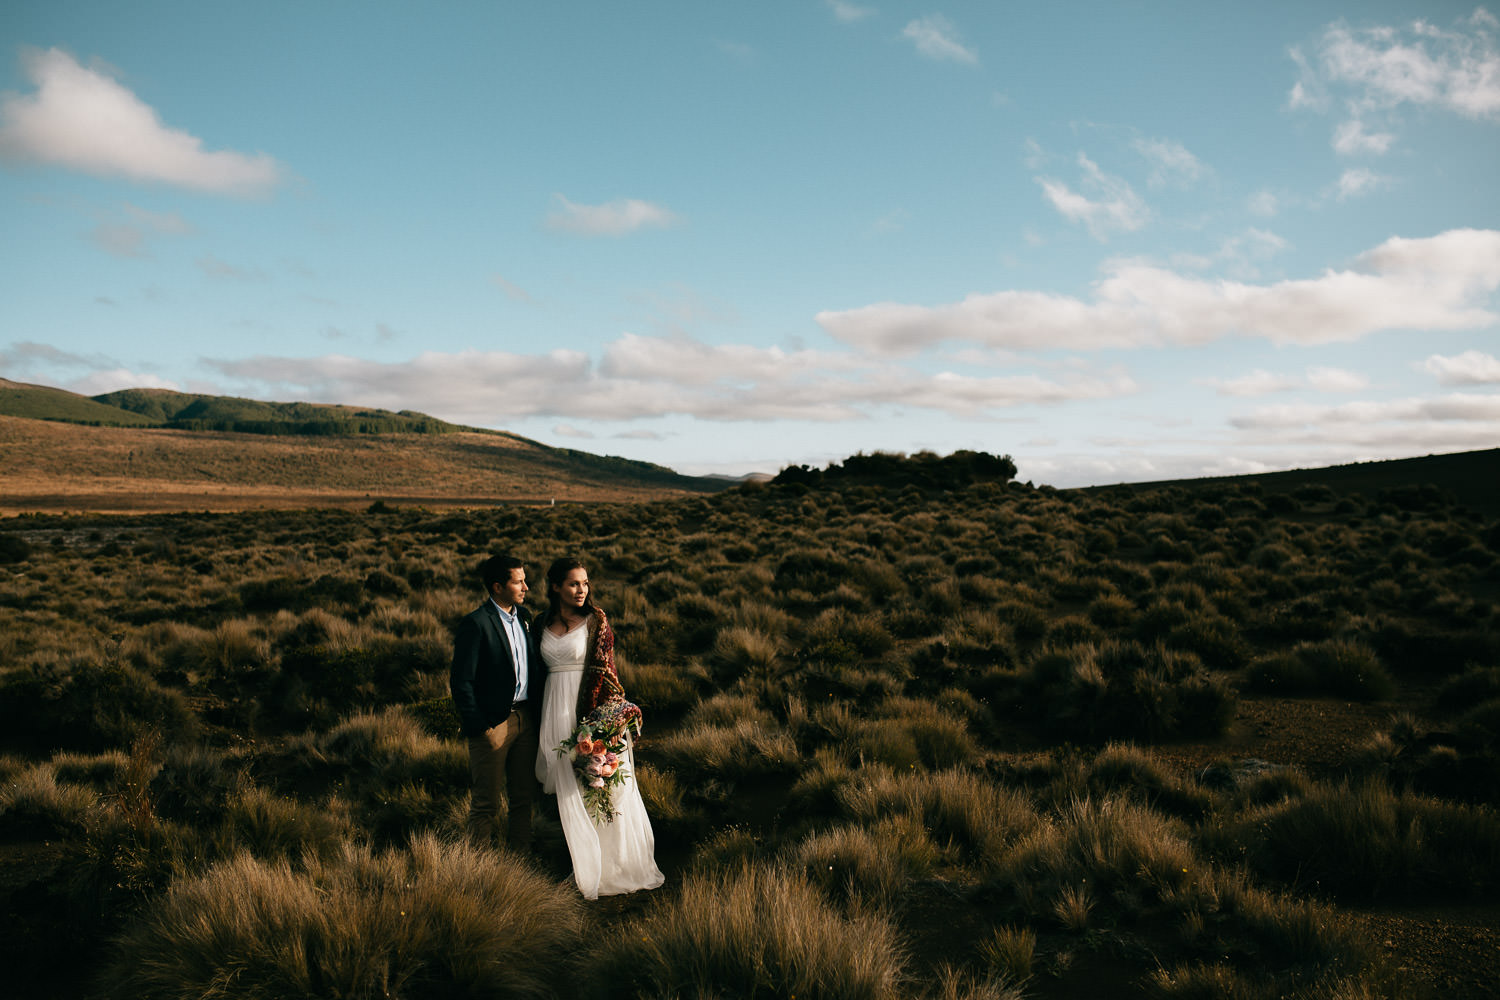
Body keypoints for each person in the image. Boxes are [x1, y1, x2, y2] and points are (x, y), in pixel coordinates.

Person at [534, 557, 664, 899]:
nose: (582, 590)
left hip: (588, 714)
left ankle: (607, 868)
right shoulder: (540, 623)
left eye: (586, 583)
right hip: (553, 711)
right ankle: (581, 864)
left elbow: (608, 674)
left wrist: (606, 724)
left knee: (599, 788)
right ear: (555, 587)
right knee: (568, 793)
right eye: (574, 583)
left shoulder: (596, 621)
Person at [450, 554, 545, 851]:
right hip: (493, 724)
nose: (526, 587)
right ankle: (479, 870)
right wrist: (478, 725)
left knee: (522, 798)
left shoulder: (526, 618)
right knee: (486, 804)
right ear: (497, 586)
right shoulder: (476, 624)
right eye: (518, 582)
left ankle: (520, 862)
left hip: (526, 719)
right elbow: (461, 681)